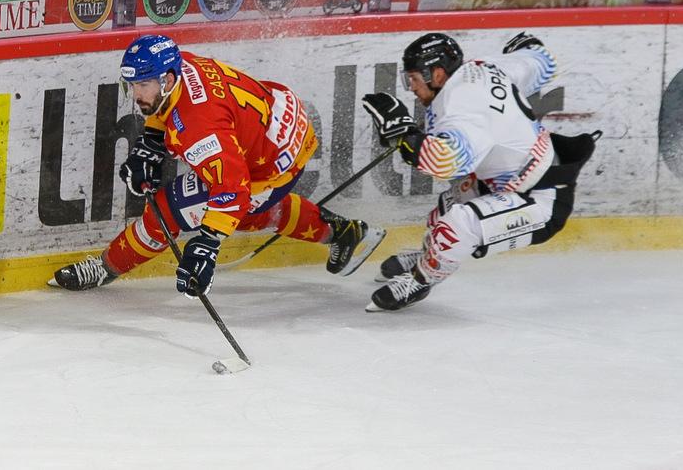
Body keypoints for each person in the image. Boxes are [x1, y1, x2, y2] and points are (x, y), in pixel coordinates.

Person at [51, 34, 385, 297]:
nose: (136, 94)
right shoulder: (183, 66)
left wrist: (208, 244)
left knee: (169, 210)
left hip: (268, 163)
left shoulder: (199, 129)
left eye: (142, 85)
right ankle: (341, 233)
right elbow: (166, 112)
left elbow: (233, 188)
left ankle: (106, 266)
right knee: (250, 212)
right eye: (133, 85)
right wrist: (151, 143)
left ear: (166, 80)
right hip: (284, 119)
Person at [361, 32, 599, 312]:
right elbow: (542, 61)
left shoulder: (460, 107)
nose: (410, 87)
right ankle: (431, 254)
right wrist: (526, 48)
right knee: (447, 207)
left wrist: (406, 135)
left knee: (458, 224)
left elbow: (446, 163)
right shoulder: (483, 67)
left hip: (540, 201)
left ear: (437, 74)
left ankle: (420, 281)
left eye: (413, 78)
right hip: (512, 179)